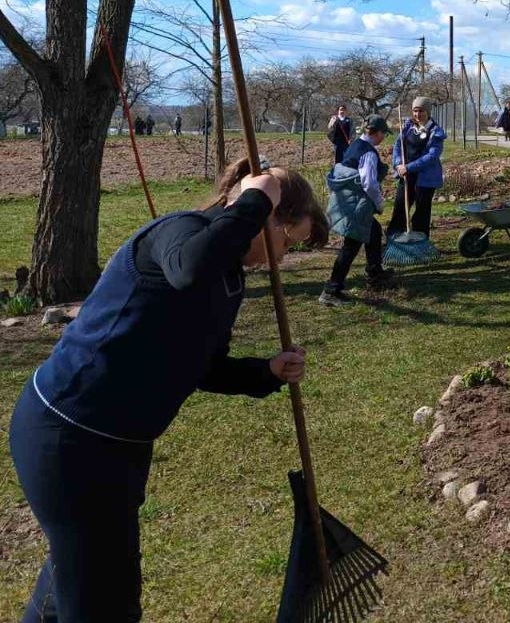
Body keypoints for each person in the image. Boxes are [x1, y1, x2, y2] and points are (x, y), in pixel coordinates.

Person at [8, 159, 328, 622]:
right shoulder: (180, 232)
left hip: (118, 445)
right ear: (264, 216)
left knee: (80, 580)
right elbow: (188, 269)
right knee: (103, 601)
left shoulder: (230, 280)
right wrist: (257, 197)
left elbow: (203, 368)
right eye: (286, 240)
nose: (281, 259)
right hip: (70, 434)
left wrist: (267, 373)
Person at [321, 115, 395, 304]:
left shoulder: (354, 146)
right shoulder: (368, 153)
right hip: (358, 206)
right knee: (351, 246)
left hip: (348, 202)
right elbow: (369, 183)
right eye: (383, 134)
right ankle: (331, 290)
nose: (383, 138)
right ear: (376, 132)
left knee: (374, 231)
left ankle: (375, 273)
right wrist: (379, 203)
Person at [389, 97, 446, 242]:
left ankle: (420, 242)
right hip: (406, 175)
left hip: (425, 178)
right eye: (415, 110)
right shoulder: (408, 127)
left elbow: (432, 156)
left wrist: (408, 167)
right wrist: (398, 164)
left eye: (421, 111)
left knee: (421, 212)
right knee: (400, 209)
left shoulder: (435, 132)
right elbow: (397, 146)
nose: (417, 114)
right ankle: (393, 239)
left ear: (428, 112)